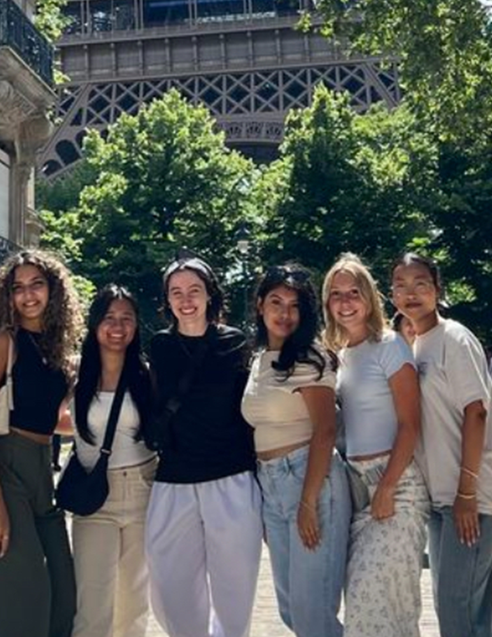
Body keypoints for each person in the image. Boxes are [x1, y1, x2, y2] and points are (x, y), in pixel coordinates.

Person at [0, 250, 81, 637]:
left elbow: (53, 419)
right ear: (7, 296)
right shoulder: (3, 341)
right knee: (22, 596)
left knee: (63, 593)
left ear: (54, 290)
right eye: (18, 288)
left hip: (42, 468)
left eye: (37, 285)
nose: (28, 296)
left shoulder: (58, 347)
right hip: (3, 467)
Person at [394, 253, 492, 637]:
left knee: (456, 610)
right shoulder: (415, 346)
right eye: (401, 285)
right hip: (442, 499)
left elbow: (475, 412)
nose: (411, 293)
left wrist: (467, 491)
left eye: (421, 284)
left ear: (437, 290)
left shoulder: (454, 338)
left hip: (471, 497)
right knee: (470, 608)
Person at [145, 256, 260, 637]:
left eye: (194, 290)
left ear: (210, 294)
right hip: (174, 480)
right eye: (176, 292)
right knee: (170, 591)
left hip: (231, 479)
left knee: (234, 594)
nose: (186, 299)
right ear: (167, 300)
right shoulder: (159, 347)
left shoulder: (236, 343)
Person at [244, 265, 348, 637]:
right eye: (276, 302)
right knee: (291, 610)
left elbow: (325, 431)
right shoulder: (258, 362)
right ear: (260, 306)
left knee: (312, 614)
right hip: (272, 488)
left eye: (294, 306)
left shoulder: (309, 359)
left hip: (311, 481)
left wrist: (307, 502)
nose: (284, 313)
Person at [327, 255, 426, 637]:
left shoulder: (390, 346)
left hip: (396, 485)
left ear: (369, 297)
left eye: (353, 292)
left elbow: (410, 424)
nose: (345, 302)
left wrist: (386, 486)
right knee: (366, 606)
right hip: (355, 488)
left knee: (381, 599)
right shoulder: (339, 355)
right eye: (336, 294)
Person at [70, 285, 158, 637]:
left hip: (142, 489)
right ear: (94, 324)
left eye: (127, 319)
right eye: (109, 318)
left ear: (137, 326)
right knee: (93, 606)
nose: (118, 327)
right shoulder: (74, 374)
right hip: (94, 496)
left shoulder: (147, 374)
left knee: (134, 604)